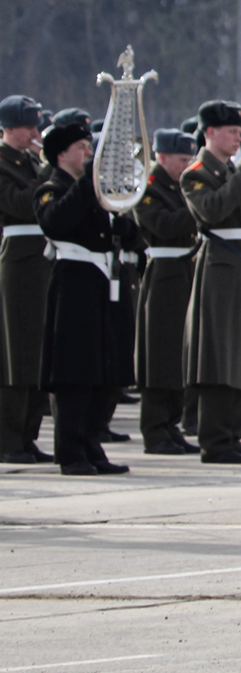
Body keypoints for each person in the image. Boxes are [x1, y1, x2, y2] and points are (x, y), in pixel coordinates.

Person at [34, 119, 136, 475]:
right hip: (74, 283)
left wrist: (125, 226)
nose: (88, 153)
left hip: (104, 282)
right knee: (74, 370)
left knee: (104, 367)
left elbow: (128, 232)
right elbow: (55, 221)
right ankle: (71, 450)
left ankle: (92, 444)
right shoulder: (51, 187)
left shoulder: (96, 189)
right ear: (62, 154)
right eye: (81, 148)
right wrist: (88, 181)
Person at [182, 101, 241, 465]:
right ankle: (215, 439)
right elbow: (212, 210)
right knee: (220, 355)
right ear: (210, 133)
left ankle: (233, 434)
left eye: (238, 132)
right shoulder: (196, 173)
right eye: (231, 132)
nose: (237, 139)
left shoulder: (232, 172)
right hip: (219, 268)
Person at [133, 127, 200, 454]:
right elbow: (164, 225)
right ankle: (155, 428)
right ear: (161, 157)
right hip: (164, 274)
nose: (187, 165)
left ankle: (172, 424)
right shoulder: (149, 188)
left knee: (179, 355)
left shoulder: (178, 187)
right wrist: (200, 208)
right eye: (181, 159)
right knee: (160, 355)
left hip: (185, 270)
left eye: (190, 159)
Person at [0, 94, 53, 463]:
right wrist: (50, 172)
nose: (35, 132)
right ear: (9, 129)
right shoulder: (4, 165)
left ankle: (29, 433)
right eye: (28, 127)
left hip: (41, 260)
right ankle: (8, 437)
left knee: (37, 353)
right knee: (16, 353)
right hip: (17, 262)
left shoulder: (32, 162)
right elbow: (20, 203)